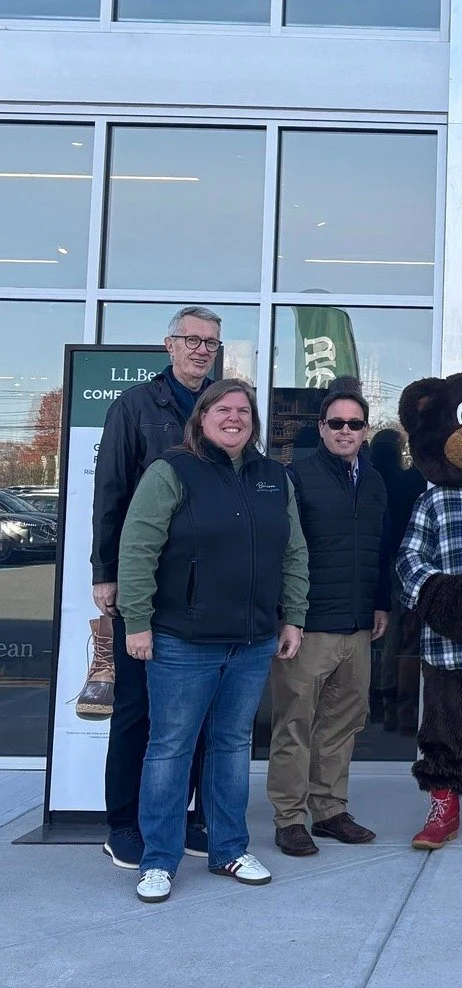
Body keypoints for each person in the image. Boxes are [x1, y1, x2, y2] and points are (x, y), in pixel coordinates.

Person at [117, 379, 308, 903]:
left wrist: (293, 616)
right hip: (183, 640)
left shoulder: (274, 477)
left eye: (243, 410)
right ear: (201, 417)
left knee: (231, 747)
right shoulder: (171, 472)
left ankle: (229, 849)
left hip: (251, 641)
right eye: (223, 408)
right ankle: (158, 860)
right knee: (170, 748)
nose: (234, 418)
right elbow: (137, 550)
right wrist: (136, 621)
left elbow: (293, 552)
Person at [91, 307, 221, 870]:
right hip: (146, 584)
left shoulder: (225, 407)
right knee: (138, 706)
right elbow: (111, 492)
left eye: (210, 343)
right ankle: (123, 821)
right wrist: (106, 572)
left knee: (197, 710)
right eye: (191, 340)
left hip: (207, 587)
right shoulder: (136, 408)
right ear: (169, 345)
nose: (200, 350)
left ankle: (188, 813)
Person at [266, 386, 390, 857]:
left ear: (364, 431)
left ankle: (330, 810)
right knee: (295, 725)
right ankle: (289, 817)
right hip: (308, 626)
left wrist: (380, 603)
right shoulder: (295, 478)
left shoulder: (374, 481)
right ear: (321, 428)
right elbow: (283, 552)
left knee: (342, 724)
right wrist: (288, 618)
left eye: (354, 424)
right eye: (336, 423)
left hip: (357, 626)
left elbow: (380, 547)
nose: (345, 431)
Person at [369, 427, 425, 735]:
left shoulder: (372, 480)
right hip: (410, 563)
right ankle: (402, 708)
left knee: (390, 632)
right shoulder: (414, 482)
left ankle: (389, 703)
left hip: (385, 561)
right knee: (407, 635)